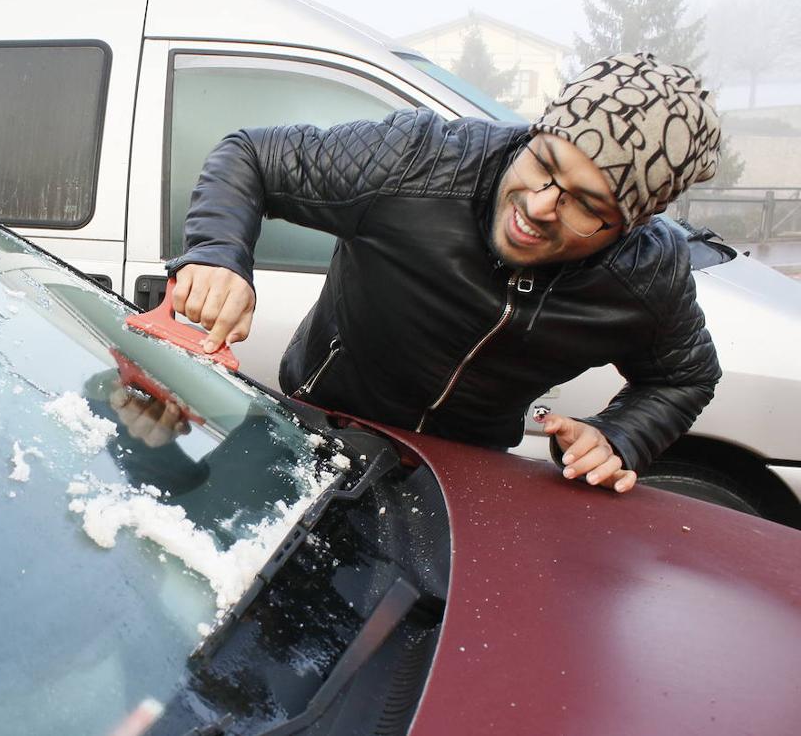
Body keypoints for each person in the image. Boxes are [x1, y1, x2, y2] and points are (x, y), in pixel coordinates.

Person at [164, 52, 724, 495]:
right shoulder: (421, 161)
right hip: (313, 431)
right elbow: (252, 156)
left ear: (630, 224)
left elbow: (685, 377)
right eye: (543, 163)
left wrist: (619, 435)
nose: (538, 205)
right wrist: (218, 253)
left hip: (460, 484)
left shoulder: (648, 274)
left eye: (585, 204)